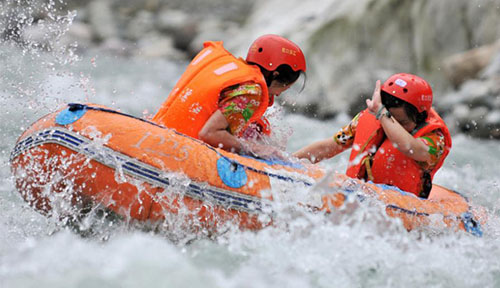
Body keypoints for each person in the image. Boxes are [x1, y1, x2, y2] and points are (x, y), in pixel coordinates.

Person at [294, 73, 452, 198]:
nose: (392, 126)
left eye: (401, 122)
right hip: (361, 196)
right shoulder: (371, 117)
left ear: (420, 117)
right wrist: (289, 162)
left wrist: (384, 115)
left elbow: (409, 147)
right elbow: (330, 146)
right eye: (390, 119)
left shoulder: (435, 139)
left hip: (402, 206)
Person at [152, 34, 306, 156]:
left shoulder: (229, 69)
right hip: (176, 153)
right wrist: (254, 150)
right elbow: (210, 134)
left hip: (158, 137)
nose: (278, 95)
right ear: (275, 75)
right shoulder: (251, 93)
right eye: (284, 87)